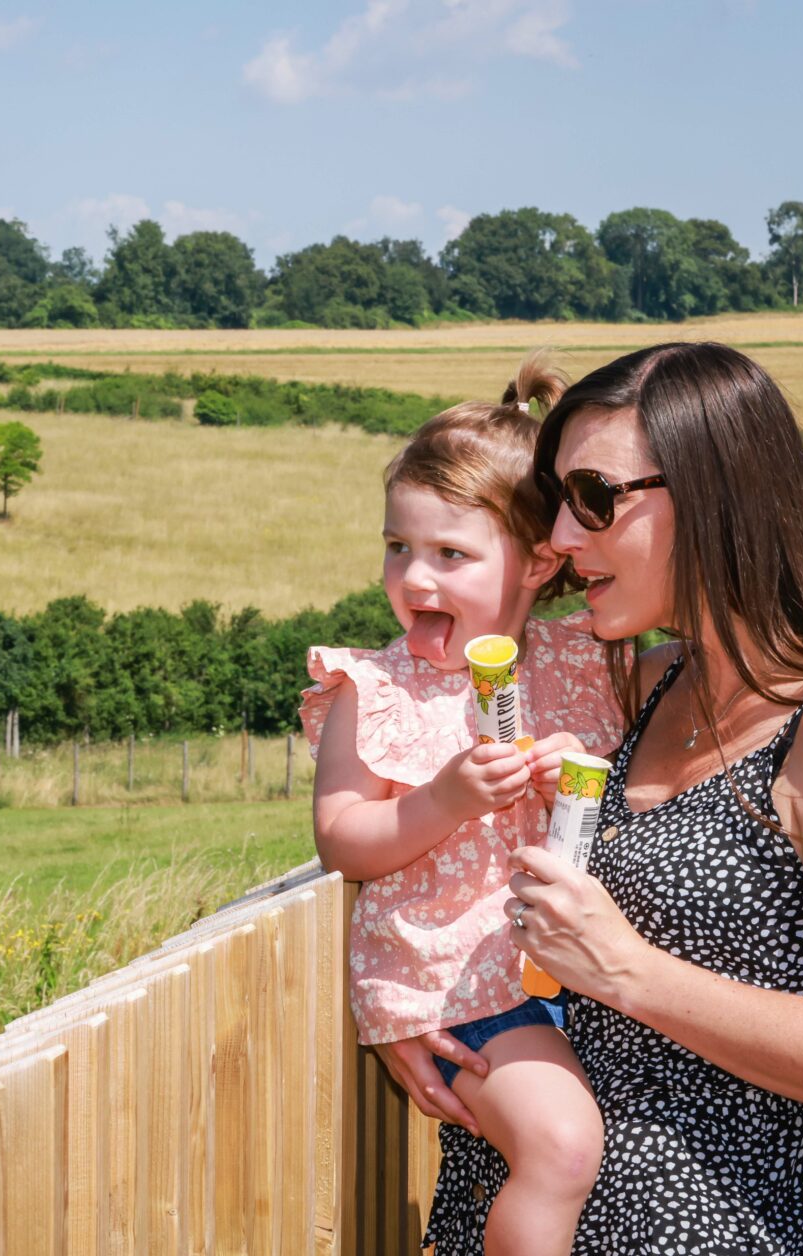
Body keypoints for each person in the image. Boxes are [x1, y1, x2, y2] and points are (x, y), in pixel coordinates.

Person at [424, 341, 803, 1253]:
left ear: (717, 495)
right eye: (557, 502)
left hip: (715, 1230)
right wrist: (419, 1025)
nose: (559, 537)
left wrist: (626, 970)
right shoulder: (653, 678)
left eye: (593, 499)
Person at [301, 355, 627, 1254]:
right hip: (453, 984)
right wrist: (443, 797)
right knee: (562, 1148)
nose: (416, 578)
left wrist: (581, 780)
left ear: (538, 563)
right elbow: (342, 840)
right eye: (398, 546)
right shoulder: (372, 688)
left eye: (452, 554)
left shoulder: (581, 663)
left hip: (572, 968)